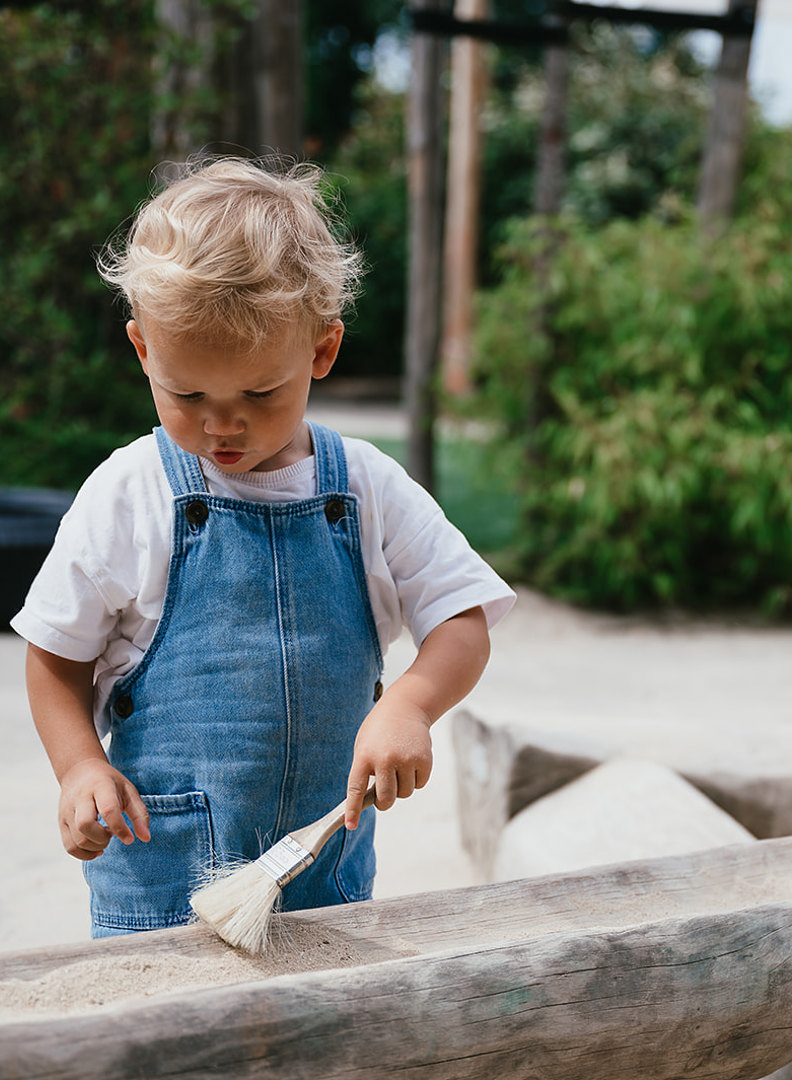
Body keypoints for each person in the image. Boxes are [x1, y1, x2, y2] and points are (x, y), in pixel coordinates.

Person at [11, 156, 515, 938]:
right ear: (144, 350)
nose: (222, 425)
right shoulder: (129, 493)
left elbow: (461, 617)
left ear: (320, 352)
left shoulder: (367, 488)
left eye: (258, 394)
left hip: (325, 883)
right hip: (161, 894)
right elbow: (54, 656)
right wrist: (81, 766)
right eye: (188, 396)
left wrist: (412, 704)